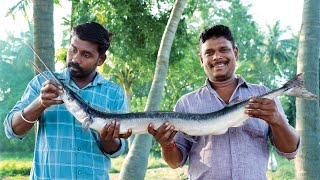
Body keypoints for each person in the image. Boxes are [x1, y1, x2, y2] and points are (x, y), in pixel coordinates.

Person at [148, 25, 300, 179]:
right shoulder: (186, 103)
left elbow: (290, 151)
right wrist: (167, 145)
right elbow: (175, 162)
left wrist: (278, 121)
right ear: (202, 60)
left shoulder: (263, 95)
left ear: (235, 53)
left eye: (223, 49)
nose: (216, 57)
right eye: (209, 53)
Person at [4, 22, 132, 179]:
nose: (75, 58)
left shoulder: (114, 93)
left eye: (86, 54)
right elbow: (11, 129)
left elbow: (118, 149)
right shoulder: (42, 83)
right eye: (73, 49)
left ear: (101, 59)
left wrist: (108, 139)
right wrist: (39, 103)